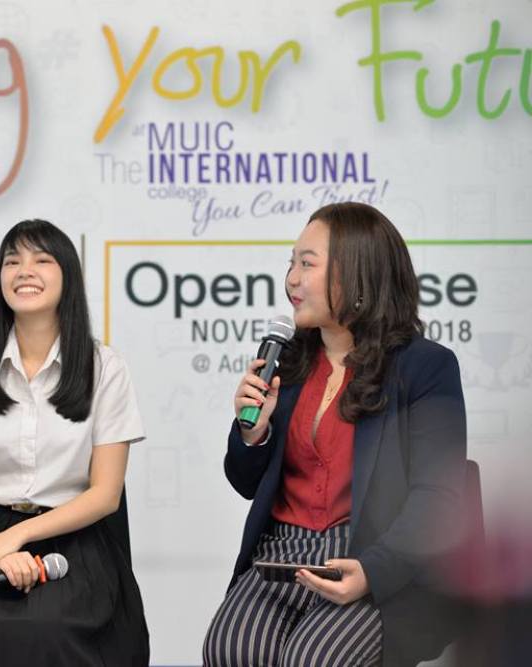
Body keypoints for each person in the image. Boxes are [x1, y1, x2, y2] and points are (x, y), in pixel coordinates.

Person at [202, 202, 467, 667]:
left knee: (314, 658)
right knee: (230, 650)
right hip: (281, 557)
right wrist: (253, 433)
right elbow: (245, 482)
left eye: (307, 264)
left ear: (358, 273)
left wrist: (373, 571)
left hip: (372, 559)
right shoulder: (286, 362)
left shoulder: (424, 367)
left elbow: (439, 499)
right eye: (291, 263)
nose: (291, 280)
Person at [0, 219, 149, 666]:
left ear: (67, 276)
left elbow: (105, 494)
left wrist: (16, 539)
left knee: (51, 629)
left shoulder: (105, 368)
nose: (24, 271)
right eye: (12, 261)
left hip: (74, 539)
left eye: (42, 260)